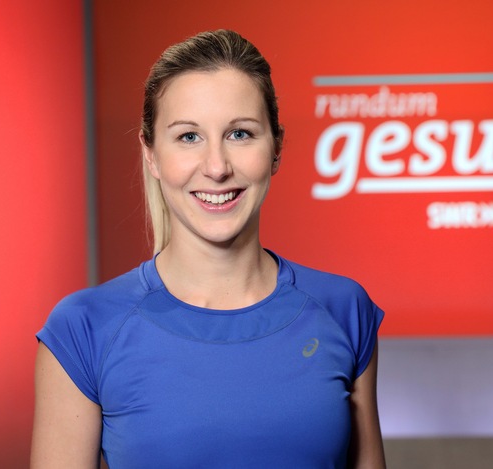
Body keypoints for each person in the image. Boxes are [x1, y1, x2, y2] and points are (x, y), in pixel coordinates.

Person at [31, 29, 385, 469]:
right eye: (188, 137)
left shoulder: (344, 309)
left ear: (276, 147)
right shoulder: (83, 329)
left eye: (240, 133)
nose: (217, 167)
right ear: (151, 154)